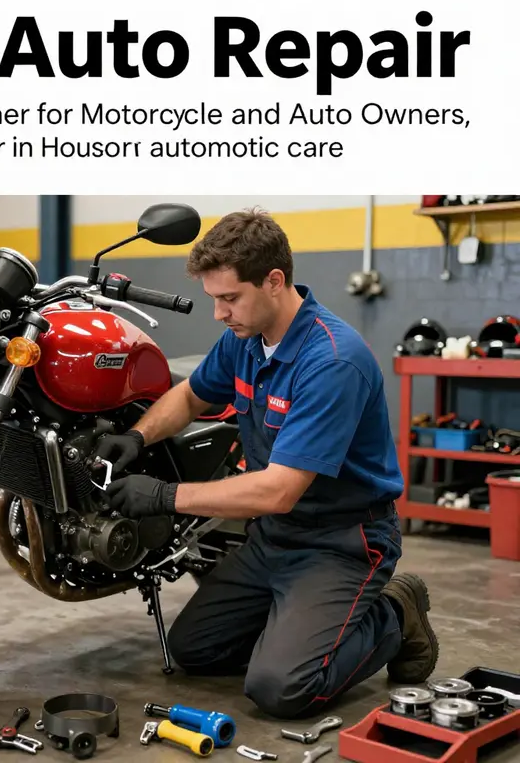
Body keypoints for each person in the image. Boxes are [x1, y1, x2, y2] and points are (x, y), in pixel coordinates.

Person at [95, 208, 439, 720]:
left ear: (274, 281)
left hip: (342, 542)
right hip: (273, 539)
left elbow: (278, 490)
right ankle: (300, 625)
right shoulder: (245, 341)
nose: (219, 313)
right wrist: (136, 436)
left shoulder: (332, 361)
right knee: (194, 651)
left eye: (229, 298)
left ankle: (395, 610)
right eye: (215, 298)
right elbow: (191, 396)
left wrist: (164, 496)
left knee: (283, 688)